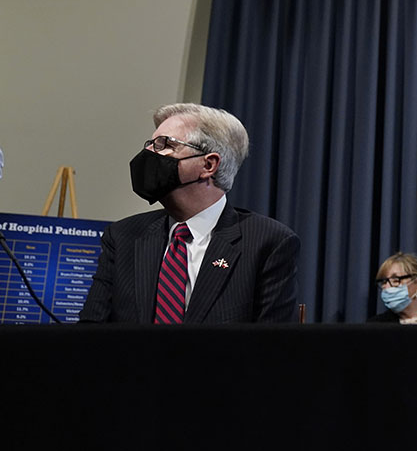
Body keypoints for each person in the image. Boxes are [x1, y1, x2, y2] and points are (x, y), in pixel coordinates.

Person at [79, 103, 299, 323]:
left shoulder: (267, 242)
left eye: (164, 144)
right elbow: (91, 331)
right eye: (151, 144)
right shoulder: (123, 235)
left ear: (208, 165)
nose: (148, 153)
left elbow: (272, 348)